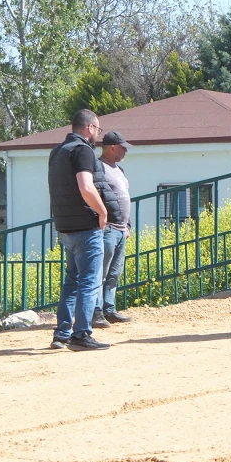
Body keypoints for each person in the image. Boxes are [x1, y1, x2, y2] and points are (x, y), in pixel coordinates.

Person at [48, 109, 110, 351]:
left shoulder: (57, 151)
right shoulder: (82, 150)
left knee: (71, 281)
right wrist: (102, 212)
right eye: (97, 129)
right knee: (89, 281)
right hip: (85, 226)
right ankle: (82, 334)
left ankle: (62, 334)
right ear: (90, 128)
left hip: (64, 225)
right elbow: (86, 186)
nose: (97, 134)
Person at [93, 130, 134, 327]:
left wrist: (127, 225)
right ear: (111, 148)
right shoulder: (98, 168)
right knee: (100, 272)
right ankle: (96, 311)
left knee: (115, 272)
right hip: (107, 228)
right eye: (122, 148)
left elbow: (124, 197)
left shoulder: (119, 170)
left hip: (119, 229)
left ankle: (109, 309)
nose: (125, 151)